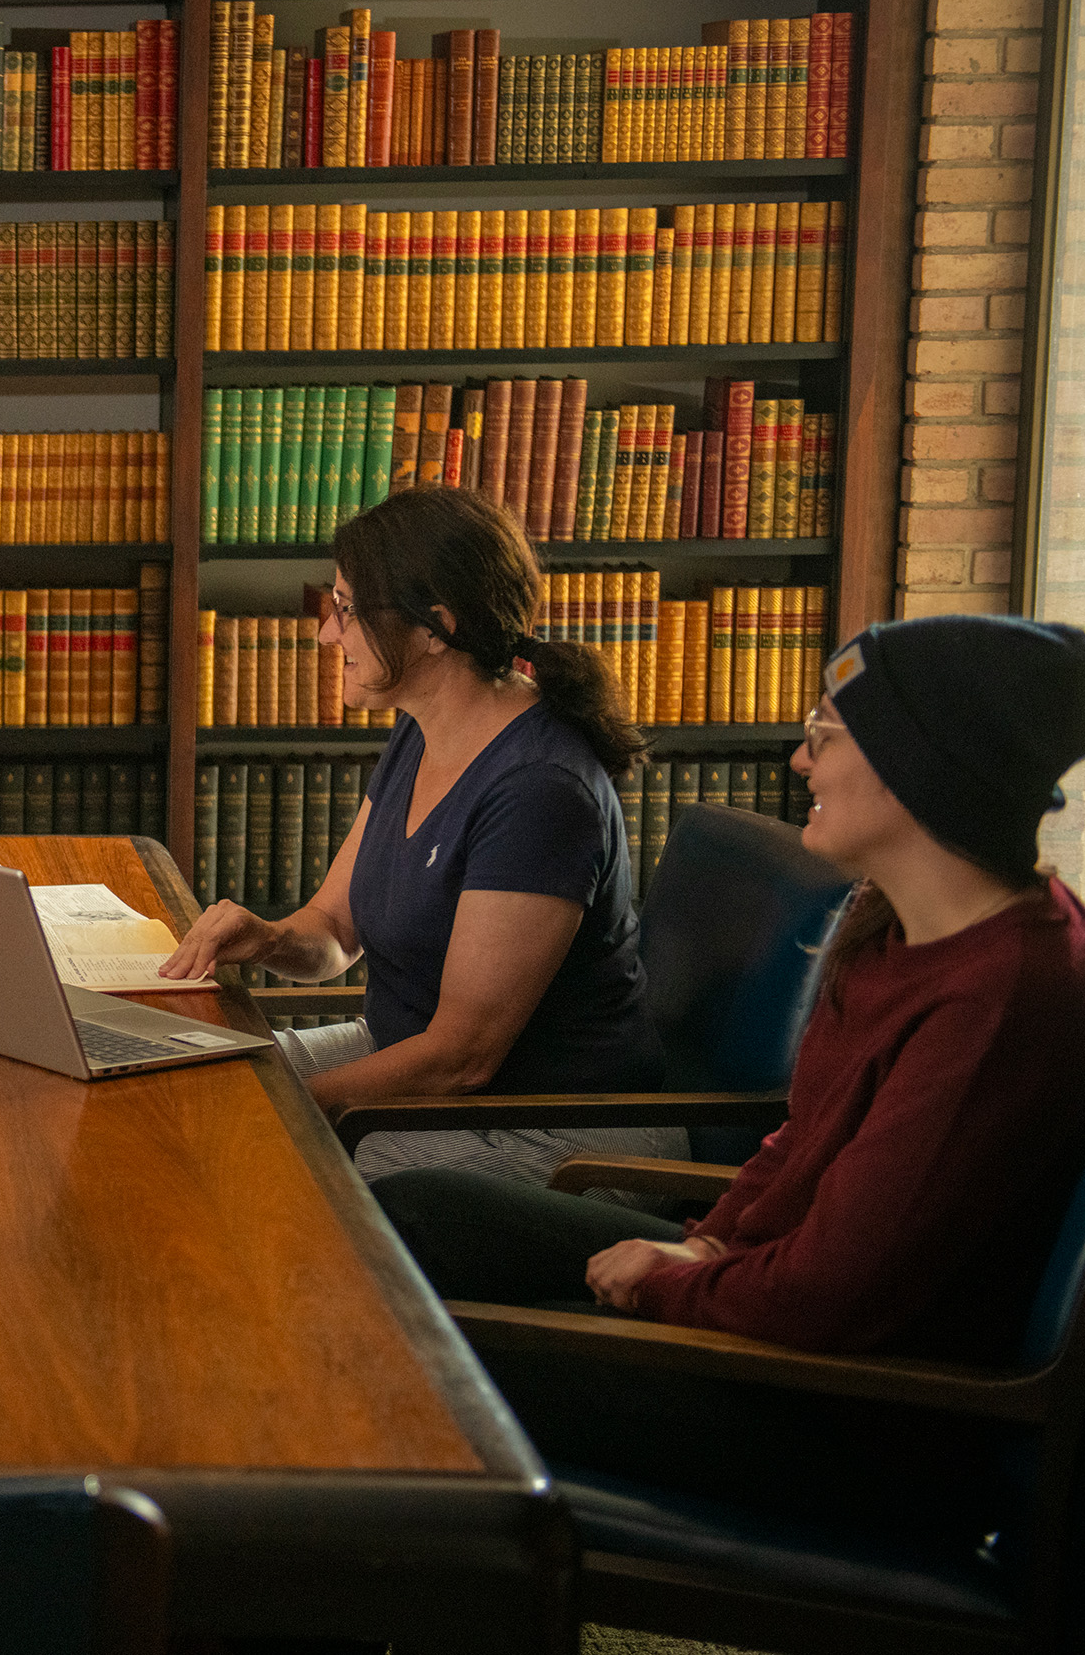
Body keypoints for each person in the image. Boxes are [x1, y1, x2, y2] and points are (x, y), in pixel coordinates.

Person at [371, 614, 1085, 1539]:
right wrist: (710, 1245)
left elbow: (832, 1298)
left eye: (825, 734)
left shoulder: (999, 997)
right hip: (773, 1329)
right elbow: (804, 1137)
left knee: (402, 1352)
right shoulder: (896, 921)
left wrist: (666, 1285)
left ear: (919, 771)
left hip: (856, 1421)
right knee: (420, 1213)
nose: (800, 761)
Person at [160, 484, 673, 1183]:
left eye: (345, 609)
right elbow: (336, 928)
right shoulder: (421, 727)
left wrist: (286, 1112)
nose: (325, 633)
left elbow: (463, 1057)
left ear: (435, 627)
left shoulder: (540, 792)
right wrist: (271, 937)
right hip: (424, 1073)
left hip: (554, 1130)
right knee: (172, 1090)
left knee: (235, 1159)